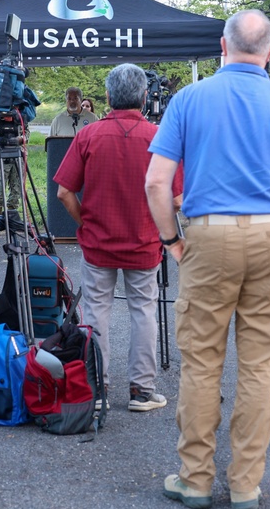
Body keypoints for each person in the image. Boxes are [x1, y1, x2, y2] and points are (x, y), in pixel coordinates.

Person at [145, 9, 270, 509]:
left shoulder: (189, 99)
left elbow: (157, 183)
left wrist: (171, 241)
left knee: (201, 362)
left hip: (209, 237)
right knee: (259, 366)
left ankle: (195, 478)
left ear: (222, 48)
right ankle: (246, 484)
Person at [54, 64, 180, 412]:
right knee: (144, 311)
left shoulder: (88, 135)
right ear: (144, 97)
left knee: (95, 313)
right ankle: (142, 390)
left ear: (107, 97)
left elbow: (65, 192)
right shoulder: (159, 137)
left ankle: (97, 388)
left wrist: (85, 223)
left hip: (98, 243)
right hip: (144, 242)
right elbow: (179, 197)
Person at [0, 107, 29, 233]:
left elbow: (26, 131)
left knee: (17, 188)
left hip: (18, 153)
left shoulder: (20, 113)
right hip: (0, 154)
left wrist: (20, 139)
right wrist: (1, 140)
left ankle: (12, 218)